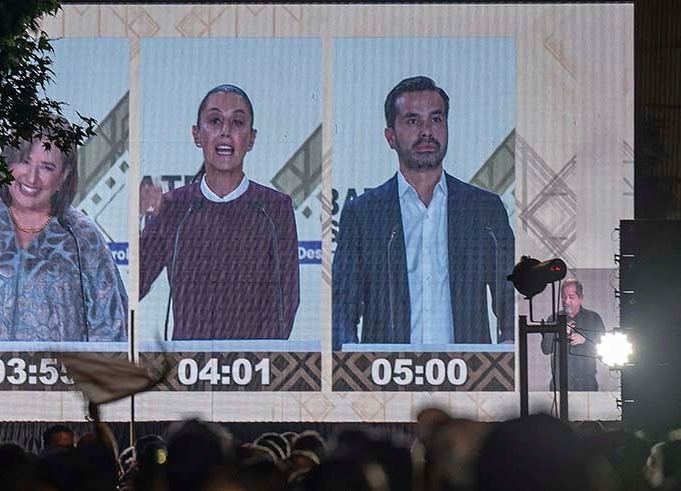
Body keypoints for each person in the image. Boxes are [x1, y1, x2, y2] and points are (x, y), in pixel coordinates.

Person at [332, 76, 514, 348]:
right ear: (390, 137)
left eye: (436, 119)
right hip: (387, 379)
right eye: (413, 121)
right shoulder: (363, 214)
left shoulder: (483, 210)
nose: (427, 131)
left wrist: (508, 347)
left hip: (469, 379)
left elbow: (510, 295)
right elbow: (342, 308)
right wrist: (352, 366)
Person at [139, 84, 300, 340]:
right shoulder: (173, 208)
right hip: (187, 367)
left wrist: (260, 361)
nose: (225, 132)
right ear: (196, 134)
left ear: (251, 138)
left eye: (237, 123)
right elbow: (134, 286)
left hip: (253, 368)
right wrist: (141, 221)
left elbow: (286, 302)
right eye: (214, 121)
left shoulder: (274, 208)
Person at [0, 133, 128, 342]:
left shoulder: (83, 237)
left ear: (64, 175)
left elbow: (111, 329)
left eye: (47, 167)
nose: (31, 178)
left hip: (64, 373)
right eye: (24, 162)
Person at [540, 278, 605, 391]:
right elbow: (546, 349)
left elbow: (604, 350)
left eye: (571, 297)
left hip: (587, 383)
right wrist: (558, 331)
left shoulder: (593, 318)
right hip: (560, 384)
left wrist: (586, 340)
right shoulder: (553, 318)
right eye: (564, 297)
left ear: (580, 298)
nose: (567, 301)